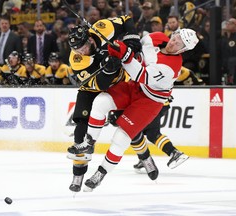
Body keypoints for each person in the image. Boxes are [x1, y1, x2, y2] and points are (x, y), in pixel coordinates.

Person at [67, 28, 199, 191]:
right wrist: (120, 47)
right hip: (134, 87)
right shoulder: (156, 37)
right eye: (175, 38)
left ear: (183, 49)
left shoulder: (171, 67)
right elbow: (136, 48)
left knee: (122, 136)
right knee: (101, 102)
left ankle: (100, 174)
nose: (173, 42)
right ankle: (88, 142)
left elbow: (140, 73)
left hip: (149, 101)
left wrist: (123, 53)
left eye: (179, 43)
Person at [66, 15, 141, 193]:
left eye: (82, 47)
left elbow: (126, 19)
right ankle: (78, 174)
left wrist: (131, 40)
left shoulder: (102, 27)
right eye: (75, 49)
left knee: (127, 127)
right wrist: (109, 70)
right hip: (91, 88)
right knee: (80, 131)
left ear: (90, 39)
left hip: (119, 86)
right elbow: (100, 85)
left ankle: (145, 157)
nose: (79, 52)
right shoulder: (76, 60)